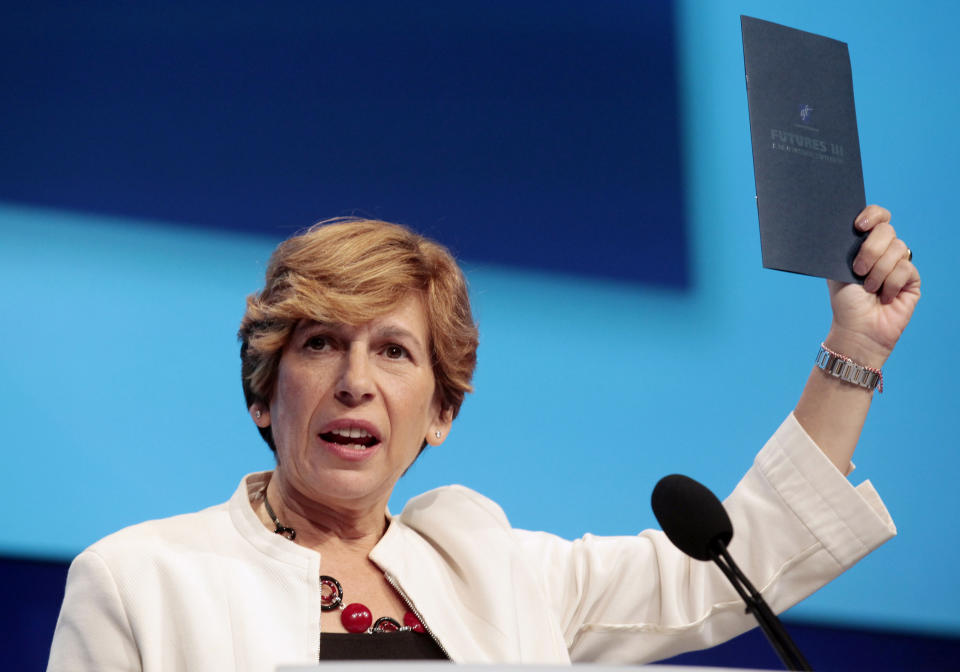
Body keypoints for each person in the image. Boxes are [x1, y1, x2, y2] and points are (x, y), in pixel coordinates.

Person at [47, 207, 920, 670]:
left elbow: (736, 567)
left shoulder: (493, 569)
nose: (356, 380)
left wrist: (856, 348)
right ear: (264, 395)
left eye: (394, 351)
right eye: (320, 344)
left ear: (441, 412)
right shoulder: (138, 583)